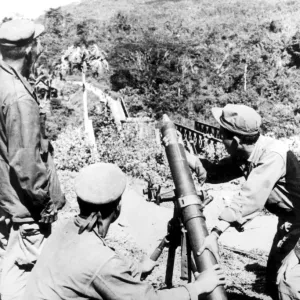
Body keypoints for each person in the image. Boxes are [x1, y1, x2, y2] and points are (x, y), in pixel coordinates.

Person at [23, 163, 226, 300]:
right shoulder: (100, 261)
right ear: (117, 209)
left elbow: (138, 268)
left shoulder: (67, 230)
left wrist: (164, 242)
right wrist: (198, 287)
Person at [183, 104, 300, 300]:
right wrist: (185, 156)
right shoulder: (246, 154)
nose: (220, 140)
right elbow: (217, 171)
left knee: (289, 284)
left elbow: (250, 197)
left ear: (236, 141)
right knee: (272, 279)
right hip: (291, 220)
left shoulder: (272, 155)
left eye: (222, 136)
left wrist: (216, 232)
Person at [0, 19, 65, 300]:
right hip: (24, 209)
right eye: (38, 42)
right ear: (29, 49)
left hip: (6, 201)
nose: (40, 48)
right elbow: (25, 162)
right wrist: (44, 205)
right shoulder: (18, 98)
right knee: (27, 280)